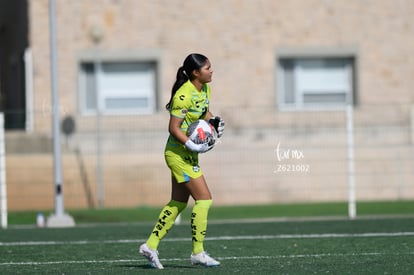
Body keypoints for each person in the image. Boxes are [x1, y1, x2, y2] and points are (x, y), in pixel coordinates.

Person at [139, 53, 225, 269]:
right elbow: (173, 128)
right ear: (196, 73)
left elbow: (204, 113)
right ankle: (198, 252)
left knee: (178, 203)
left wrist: (214, 123)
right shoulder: (183, 95)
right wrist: (191, 144)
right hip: (178, 155)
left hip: (187, 154)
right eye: (207, 68)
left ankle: (150, 245)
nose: (211, 71)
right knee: (204, 199)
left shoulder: (205, 89)